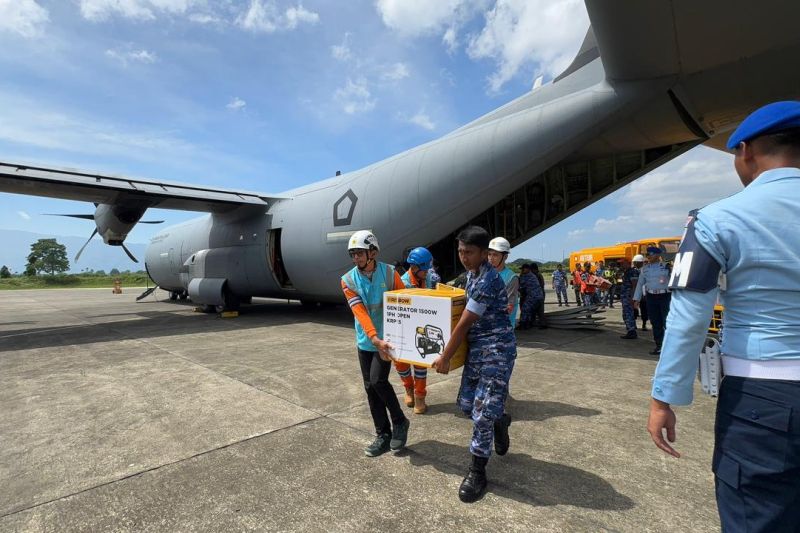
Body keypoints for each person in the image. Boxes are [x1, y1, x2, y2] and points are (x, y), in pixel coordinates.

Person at [647, 101, 800, 532]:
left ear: (746, 151)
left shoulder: (716, 219)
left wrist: (664, 397)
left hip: (765, 397)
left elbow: (688, 318)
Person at [431, 226, 516, 503]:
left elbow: (465, 321)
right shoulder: (471, 275)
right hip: (477, 350)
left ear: (484, 254)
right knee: (467, 405)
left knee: (481, 414)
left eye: (469, 252)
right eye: (460, 251)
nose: (463, 257)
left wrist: (444, 356)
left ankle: (477, 472)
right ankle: (500, 420)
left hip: (497, 349)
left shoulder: (487, 280)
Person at [340, 230, 410, 457]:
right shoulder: (348, 280)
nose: (356, 258)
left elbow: (405, 302)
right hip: (367, 341)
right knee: (370, 388)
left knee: (378, 381)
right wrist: (372, 337)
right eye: (353, 254)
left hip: (388, 341)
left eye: (360, 253)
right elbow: (359, 311)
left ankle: (400, 421)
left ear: (372, 252)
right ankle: (383, 434)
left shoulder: (390, 273)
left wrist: (404, 337)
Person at [396, 246, 434, 414]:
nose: (427, 273)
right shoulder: (401, 282)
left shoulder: (430, 278)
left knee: (420, 364)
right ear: (414, 267)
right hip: (403, 328)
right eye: (424, 270)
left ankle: (420, 397)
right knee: (400, 362)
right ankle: (408, 389)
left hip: (421, 328)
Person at [632, 247, 671, 355]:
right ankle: (659, 346)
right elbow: (640, 285)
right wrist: (636, 299)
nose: (648, 256)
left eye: (651, 254)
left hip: (665, 296)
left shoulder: (667, 267)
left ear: (658, 255)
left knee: (667, 322)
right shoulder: (644, 269)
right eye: (647, 254)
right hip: (651, 297)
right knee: (655, 322)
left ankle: (670, 347)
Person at [488, 237, 520, 328]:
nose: (491, 258)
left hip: (503, 330)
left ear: (505, 257)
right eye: (489, 254)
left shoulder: (511, 278)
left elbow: (509, 308)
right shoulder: (484, 274)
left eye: (495, 255)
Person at [619, 255, 644, 340]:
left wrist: (633, 297)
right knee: (626, 314)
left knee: (629, 314)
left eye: (623, 263)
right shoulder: (627, 271)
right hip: (626, 296)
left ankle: (632, 331)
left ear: (628, 263)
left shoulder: (632, 272)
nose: (621, 265)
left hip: (629, 296)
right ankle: (630, 329)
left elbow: (635, 284)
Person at [518, 263, 541, 330]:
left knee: (525, 309)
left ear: (527, 269)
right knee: (529, 310)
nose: (522, 271)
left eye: (523, 269)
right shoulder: (532, 275)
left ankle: (523, 324)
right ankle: (528, 324)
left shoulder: (527, 276)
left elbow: (520, 285)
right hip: (536, 295)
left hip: (533, 295)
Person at [530, 263, 547, 328]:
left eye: (531, 269)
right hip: (537, 295)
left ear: (534, 269)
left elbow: (541, 285)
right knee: (534, 309)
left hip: (539, 295)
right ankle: (534, 323)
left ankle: (543, 324)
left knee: (540, 310)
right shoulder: (535, 275)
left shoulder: (538, 275)